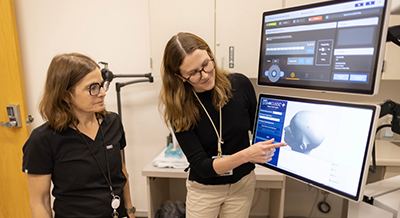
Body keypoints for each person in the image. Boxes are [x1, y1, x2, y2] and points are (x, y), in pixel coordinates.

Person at [158, 32, 287, 218]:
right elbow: (202, 166)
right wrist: (246, 155)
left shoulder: (240, 85)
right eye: (193, 73)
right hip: (204, 190)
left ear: (210, 54)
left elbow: (261, 131)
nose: (204, 75)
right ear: (179, 77)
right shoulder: (179, 108)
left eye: (205, 64)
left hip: (242, 185)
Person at [22, 53, 136, 218]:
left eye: (102, 85)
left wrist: (130, 211)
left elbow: (122, 172)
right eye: (93, 88)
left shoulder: (112, 122)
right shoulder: (43, 140)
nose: (102, 93)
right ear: (66, 96)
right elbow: (40, 201)